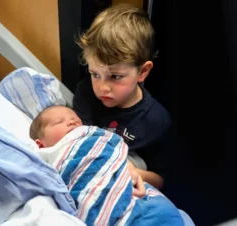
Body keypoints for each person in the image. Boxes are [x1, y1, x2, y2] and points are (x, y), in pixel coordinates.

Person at [73, 4, 172, 189]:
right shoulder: (86, 92)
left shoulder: (157, 120)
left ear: (142, 72)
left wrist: (131, 171)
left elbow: (160, 180)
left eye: (115, 76)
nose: (102, 87)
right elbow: (79, 141)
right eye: (95, 74)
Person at [29, 105, 146, 197]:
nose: (72, 122)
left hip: (125, 179)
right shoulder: (43, 158)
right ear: (40, 144)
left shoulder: (93, 136)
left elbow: (114, 145)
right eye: (59, 121)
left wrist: (128, 165)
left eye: (75, 119)